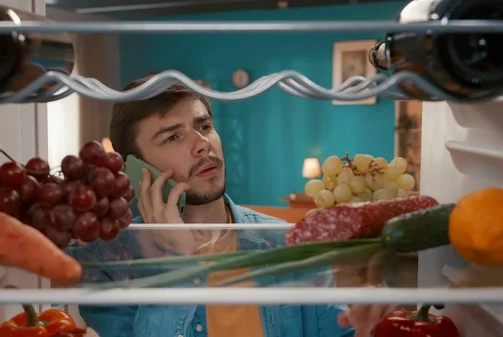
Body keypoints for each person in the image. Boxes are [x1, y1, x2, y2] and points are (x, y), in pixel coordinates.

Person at [66, 75, 398, 337]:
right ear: (136, 169)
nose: (201, 144)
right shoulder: (105, 263)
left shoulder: (289, 243)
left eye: (204, 126)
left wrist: (371, 319)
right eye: (172, 137)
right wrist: (173, 265)